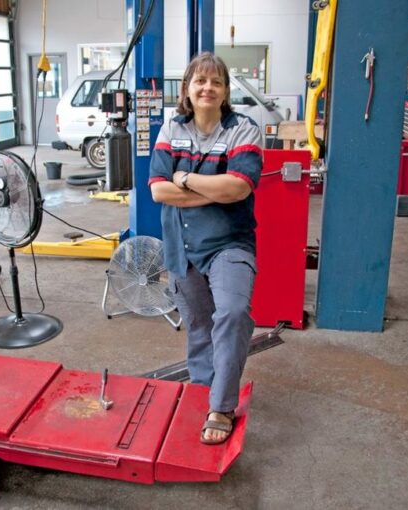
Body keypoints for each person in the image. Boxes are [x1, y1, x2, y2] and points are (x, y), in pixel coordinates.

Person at [148, 52, 263, 445]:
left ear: (226, 91)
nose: (207, 88)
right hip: (182, 245)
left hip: (229, 242)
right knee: (199, 326)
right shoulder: (171, 128)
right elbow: (158, 190)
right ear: (187, 89)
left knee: (232, 312)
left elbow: (240, 187)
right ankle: (203, 391)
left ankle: (222, 406)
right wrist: (213, 191)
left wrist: (184, 179)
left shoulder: (243, 129)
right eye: (200, 80)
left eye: (216, 82)